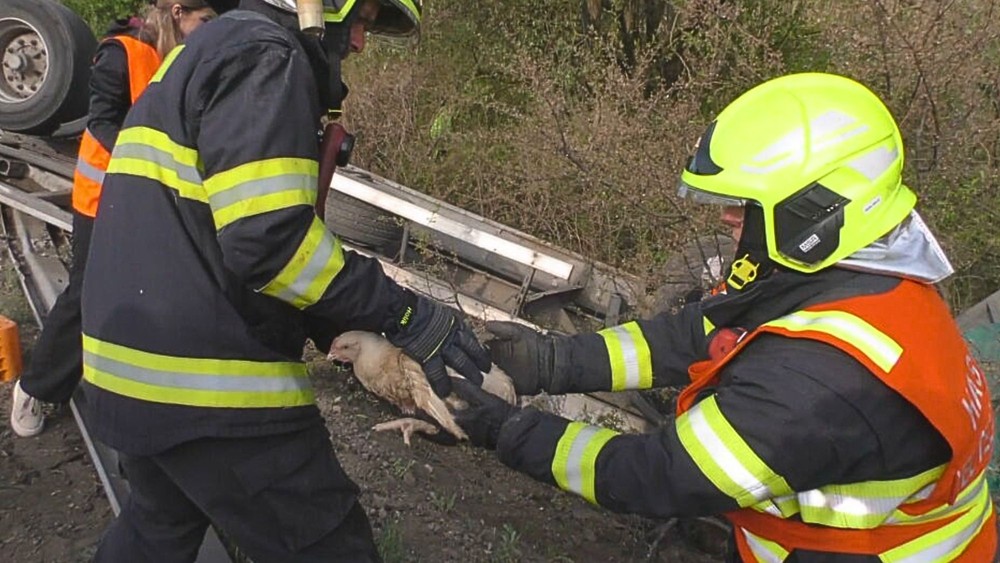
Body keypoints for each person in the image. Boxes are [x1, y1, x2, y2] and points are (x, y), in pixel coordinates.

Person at [453, 73, 997, 561]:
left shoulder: (817, 383)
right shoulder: (853, 279)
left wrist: (509, 431)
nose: (727, 216)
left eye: (746, 203)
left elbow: (659, 475)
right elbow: (698, 333)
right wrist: (552, 361)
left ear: (813, 212)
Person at [79, 0, 489, 560]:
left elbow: (227, 237)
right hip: (213, 390)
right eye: (363, 20)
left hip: (133, 372)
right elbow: (269, 243)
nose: (361, 44)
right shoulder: (264, 55)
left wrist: (356, 331)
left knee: (157, 529)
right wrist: (406, 314)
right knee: (328, 546)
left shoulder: (212, 48)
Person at [9, 0, 217, 438]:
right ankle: (35, 387)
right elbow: (103, 122)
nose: (208, 30)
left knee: (151, 291)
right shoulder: (121, 53)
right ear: (179, 12)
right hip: (104, 199)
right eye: (205, 20)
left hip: (154, 199)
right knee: (88, 294)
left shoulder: (183, 56)